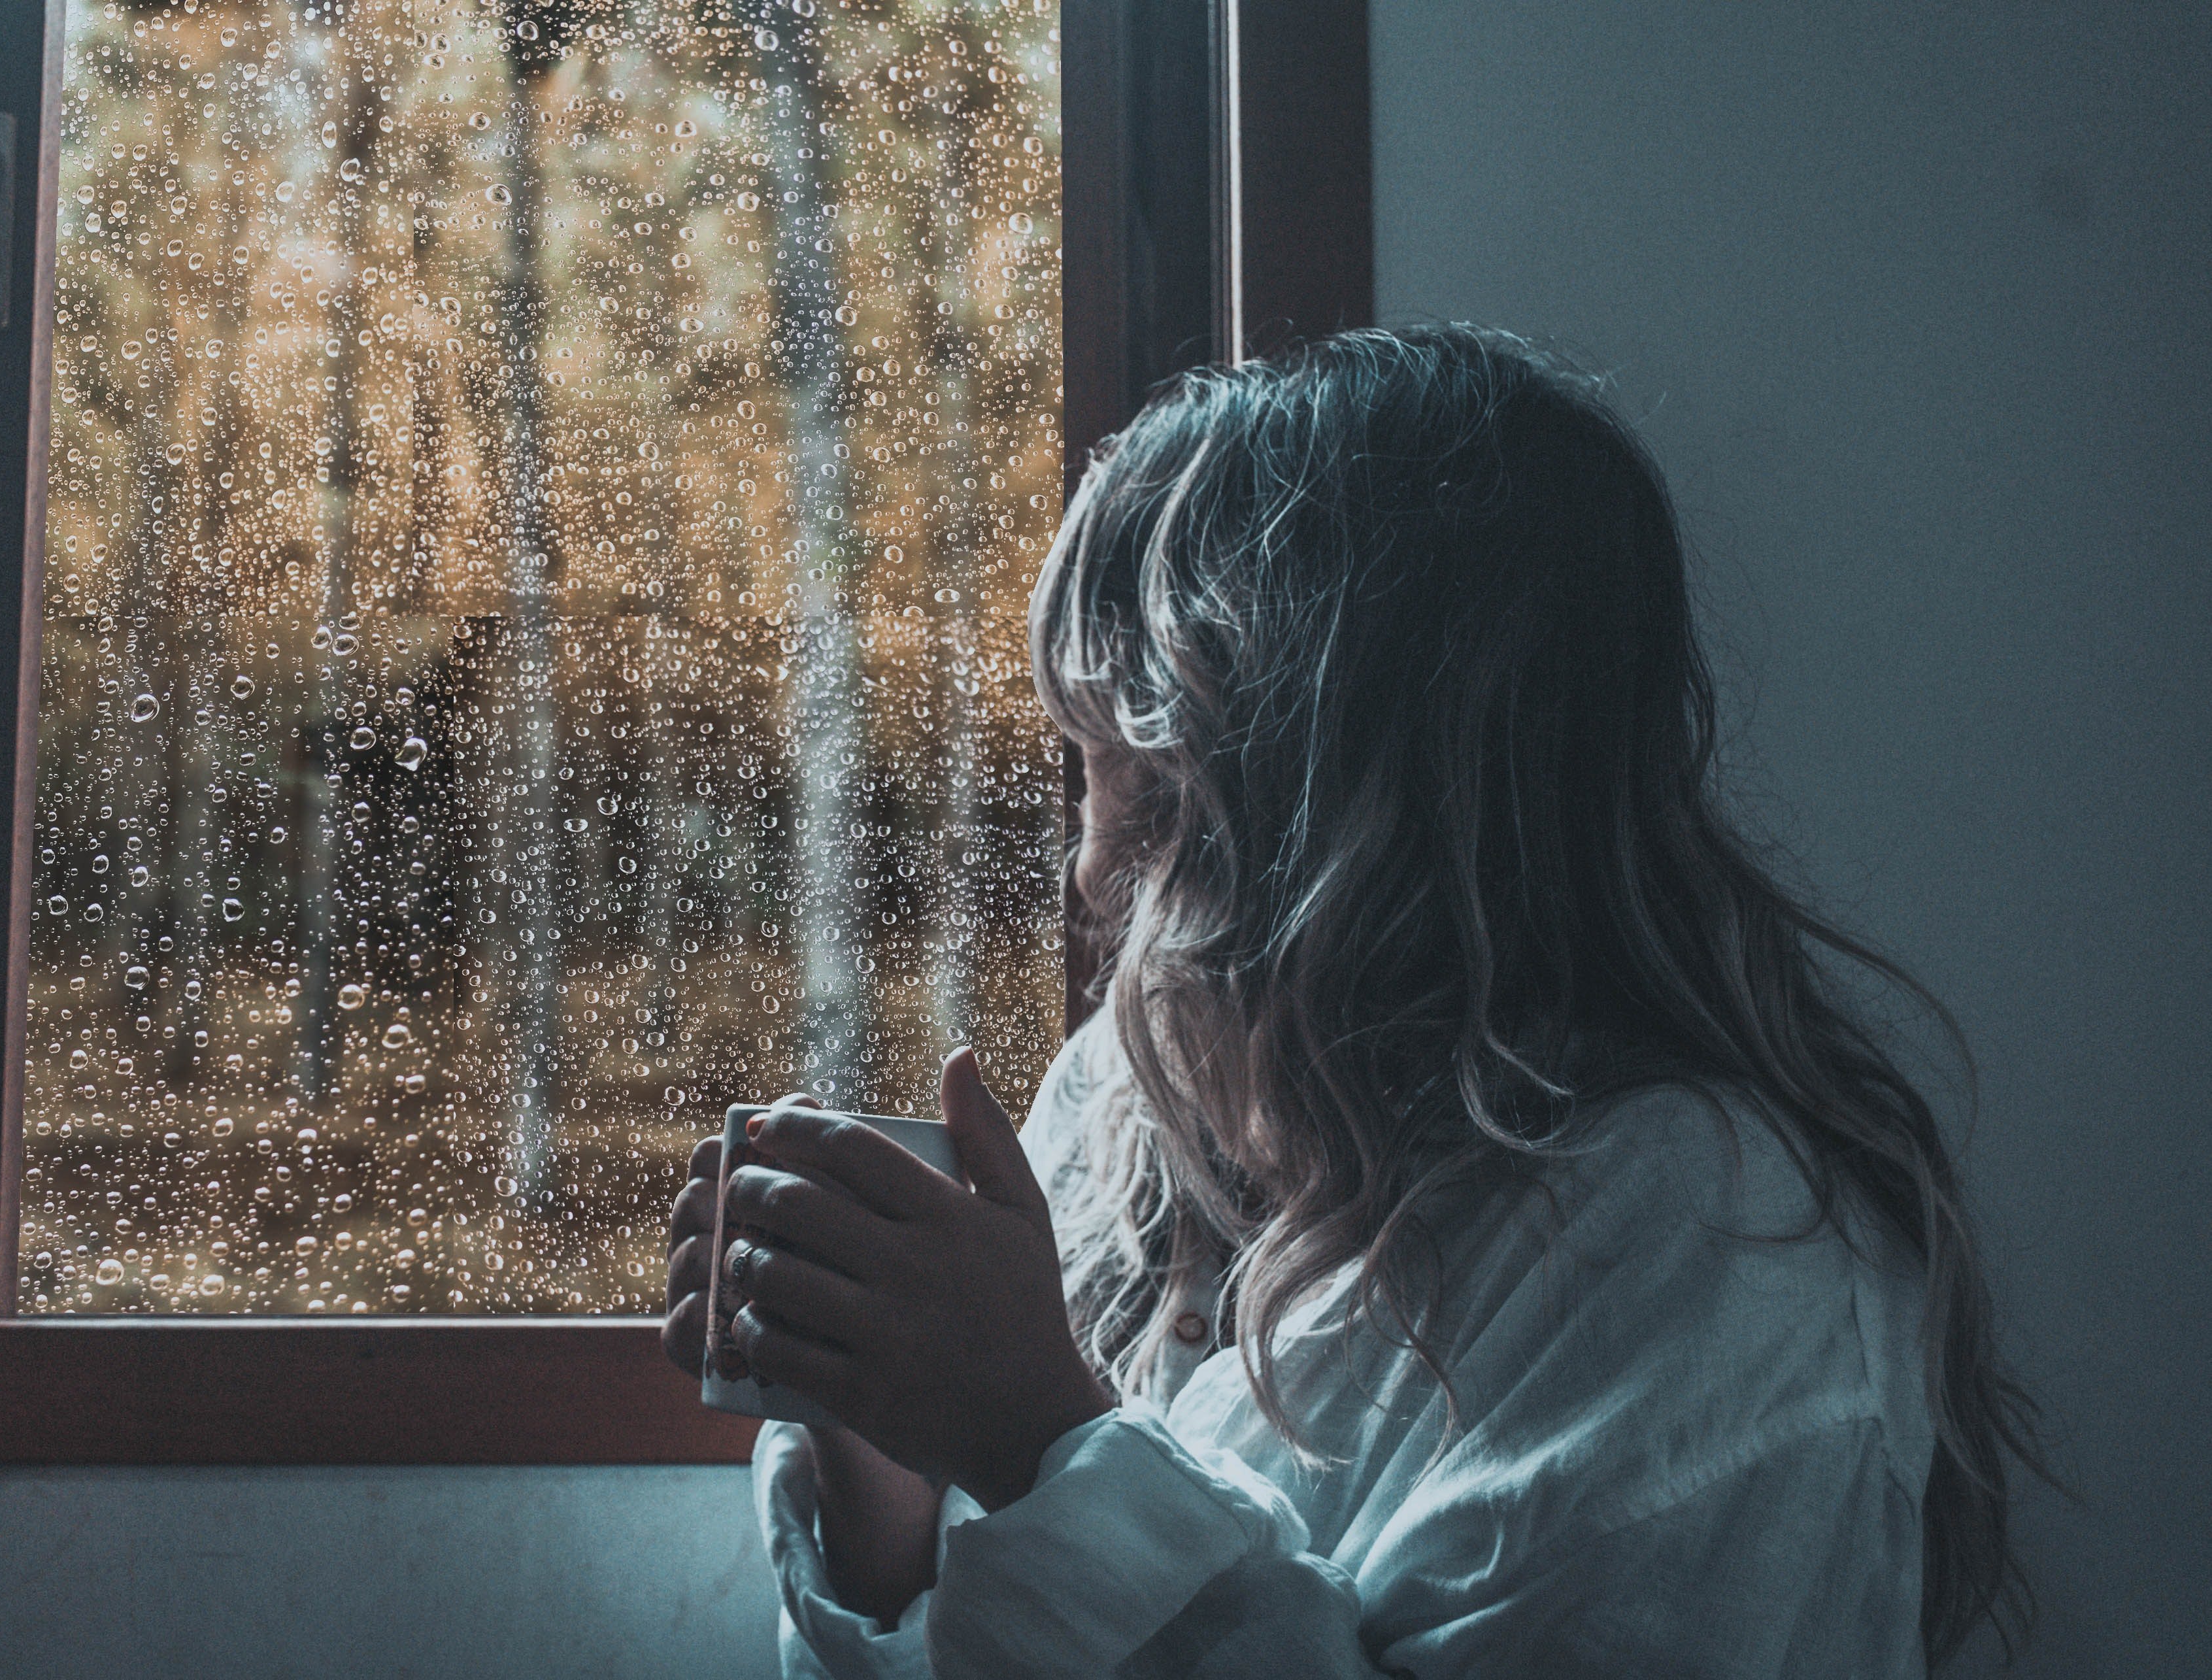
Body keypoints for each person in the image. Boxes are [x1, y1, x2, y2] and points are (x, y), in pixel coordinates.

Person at [662, 326, 2045, 1677]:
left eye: (1145, 777)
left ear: (1337, 803)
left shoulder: (1711, 1252)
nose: (1091, 866)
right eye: (1083, 770)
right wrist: (884, 1433)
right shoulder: (1136, 1097)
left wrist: (1035, 1437)